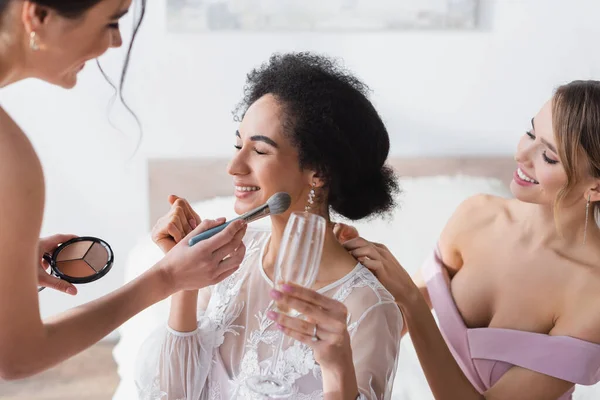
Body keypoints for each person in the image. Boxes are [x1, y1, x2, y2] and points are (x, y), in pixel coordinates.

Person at [0, 0, 246, 380]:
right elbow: (16, 356)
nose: (115, 42)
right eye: (111, 22)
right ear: (38, 15)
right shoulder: (10, 158)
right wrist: (166, 278)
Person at [134, 52, 403, 400]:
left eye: (259, 151)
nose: (234, 165)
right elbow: (172, 394)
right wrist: (184, 280)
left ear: (318, 171)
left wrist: (337, 371)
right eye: (237, 144)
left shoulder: (368, 306)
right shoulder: (228, 260)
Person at [343, 80, 600, 399]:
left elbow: (413, 301)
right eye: (531, 133)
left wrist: (410, 299)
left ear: (595, 188)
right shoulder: (476, 215)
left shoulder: (593, 293)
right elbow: (394, 321)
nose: (521, 154)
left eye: (548, 156)